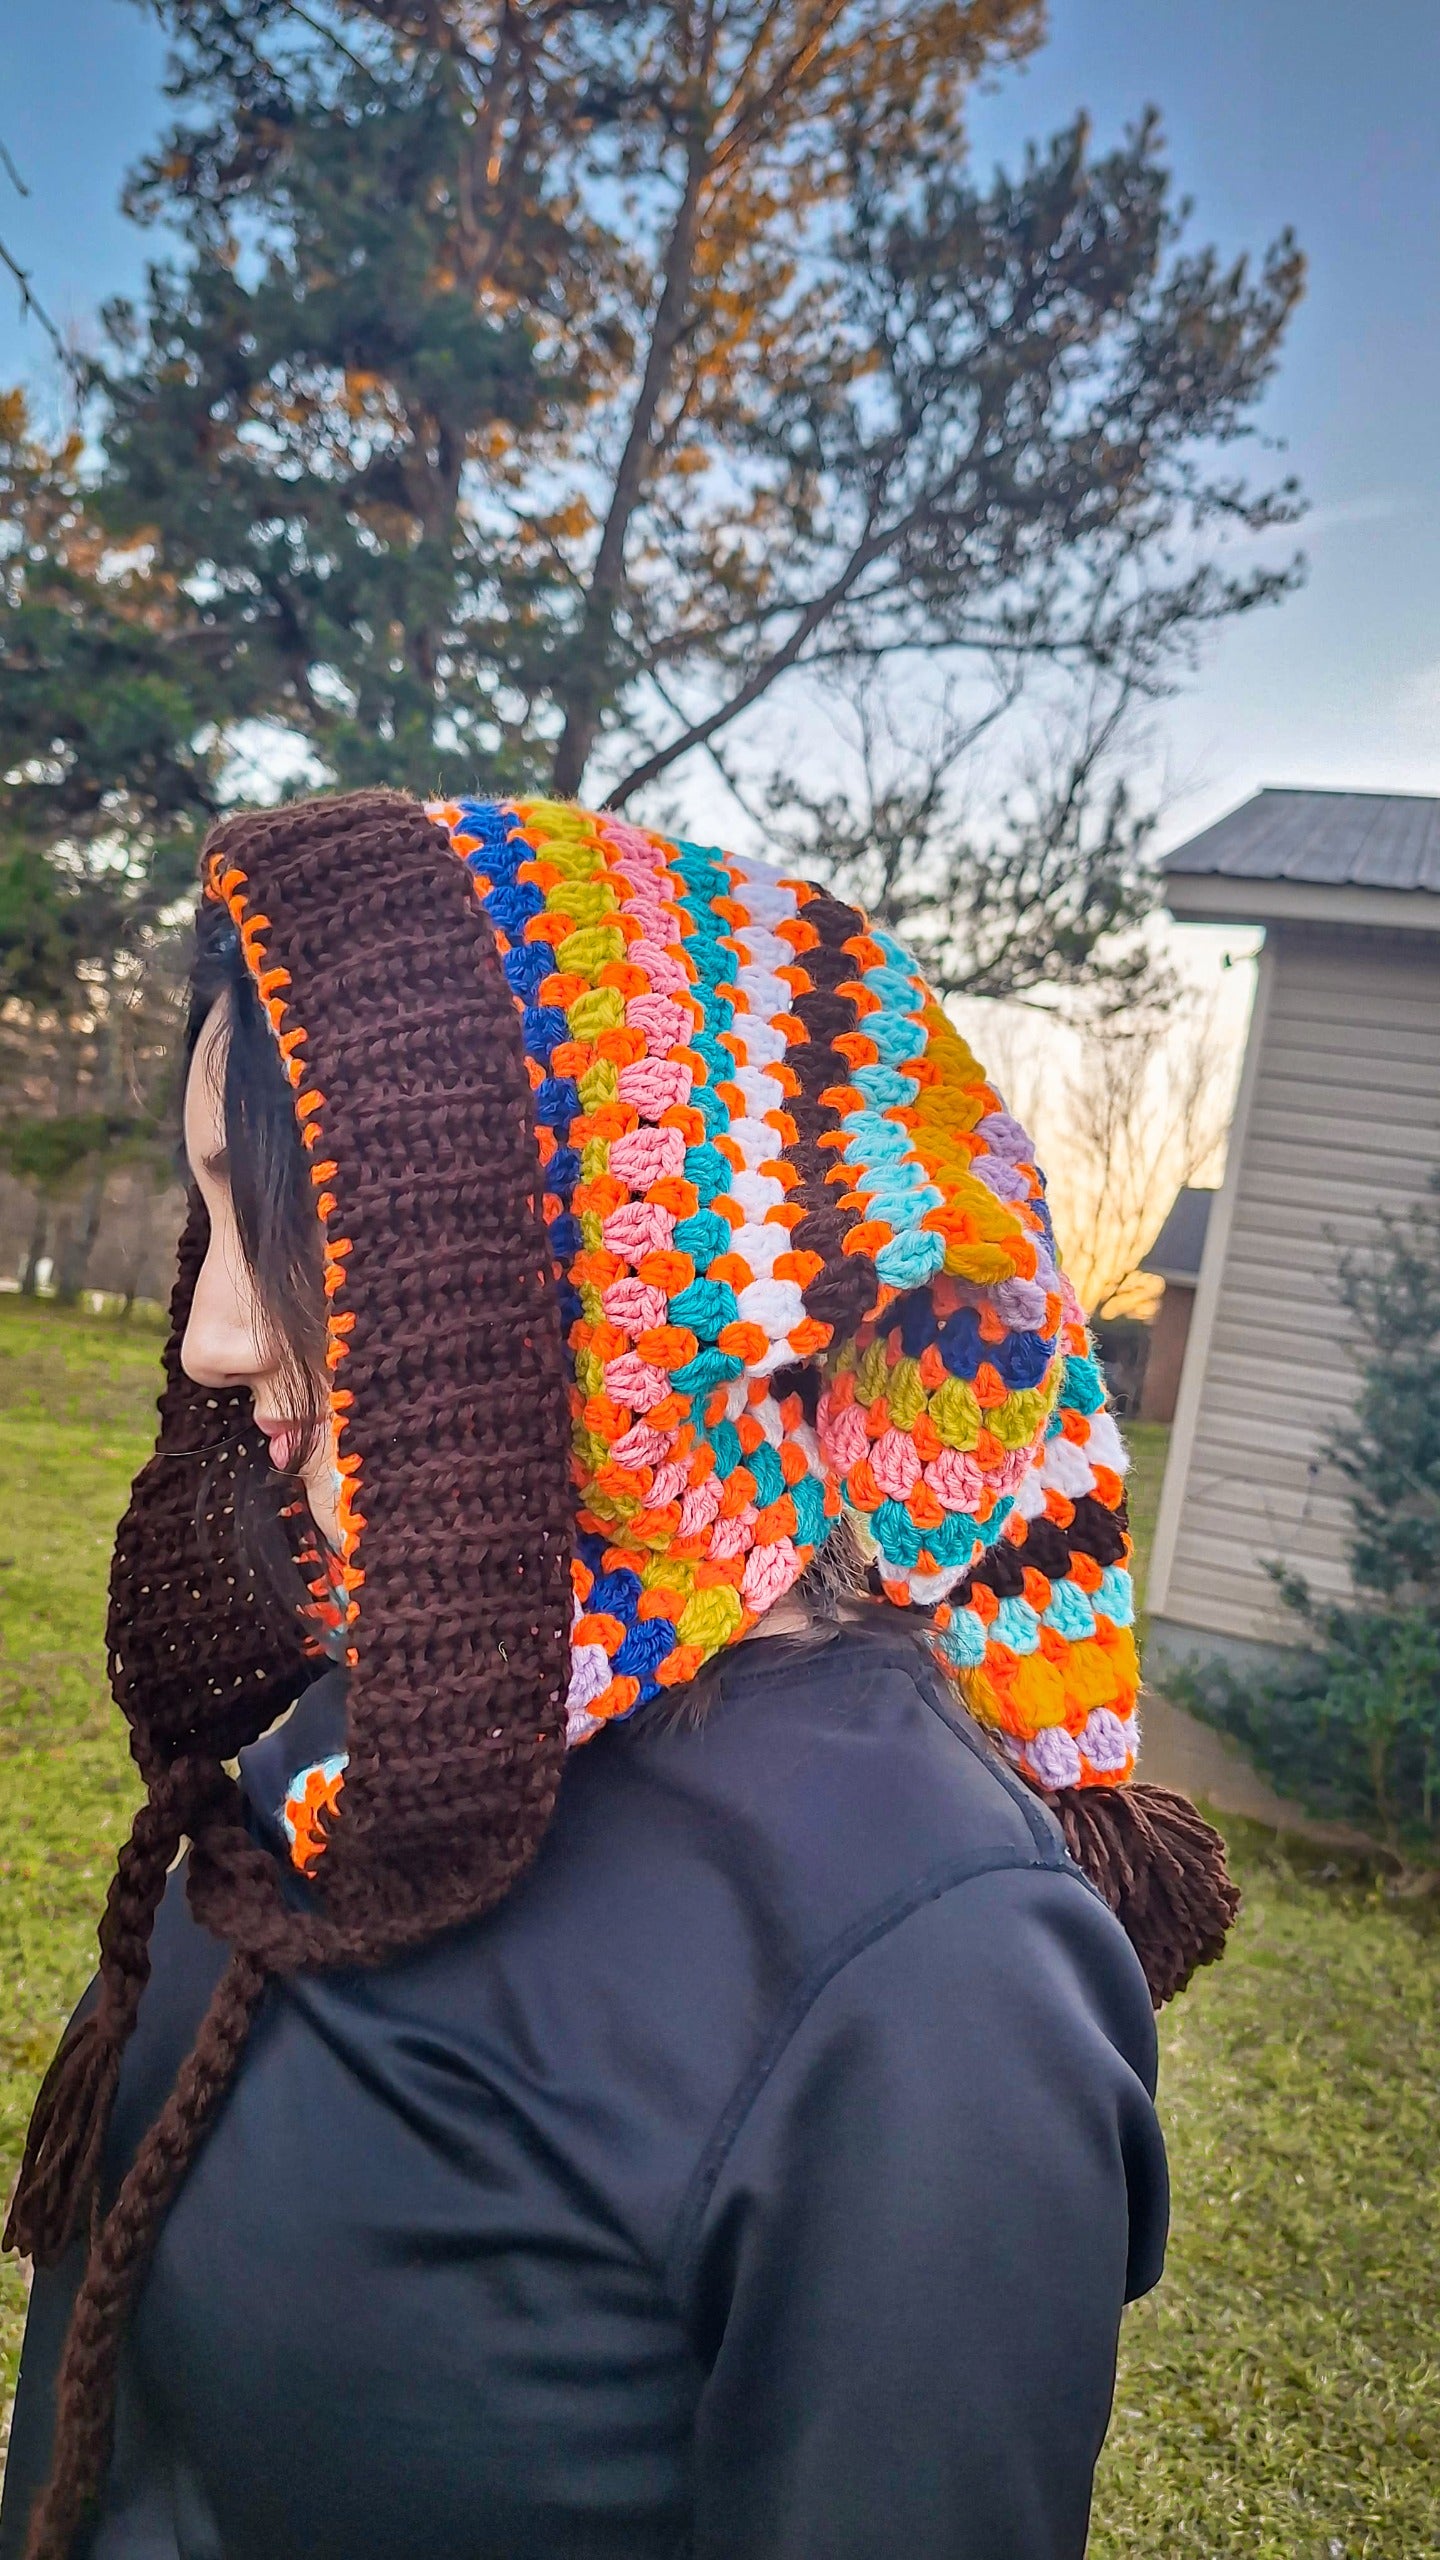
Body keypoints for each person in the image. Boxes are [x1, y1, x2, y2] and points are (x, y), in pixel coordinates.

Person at [1, 790, 1237, 2560]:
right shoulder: (418, 1692)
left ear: (575, 1265)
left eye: (263, 1214)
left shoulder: (927, 1981)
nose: (209, 1332)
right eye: (204, 1209)